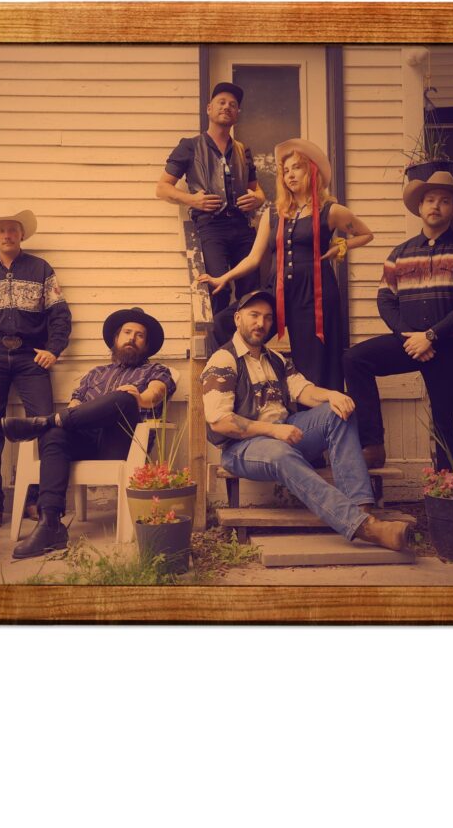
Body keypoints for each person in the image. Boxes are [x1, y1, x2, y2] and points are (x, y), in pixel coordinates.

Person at [201, 291, 412, 551]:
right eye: (254, 315)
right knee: (278, 452)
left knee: (338, 413)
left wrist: (332, 395)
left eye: (267, 318)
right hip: (241, 447)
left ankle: (363, 510)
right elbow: (219, 422)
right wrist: (273, 431)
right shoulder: (224, 359)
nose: (261, 323)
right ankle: (363, 528)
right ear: (237, 318)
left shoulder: (275, 359)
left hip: (283, 432)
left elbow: (304, 391)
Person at [342, 171, 453, 470]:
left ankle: (448, 488)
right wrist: (408, 337)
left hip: (451, 347)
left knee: (447, 426)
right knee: (355, 359)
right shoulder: (400, 254)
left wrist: (431, 336)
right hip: (409, 343)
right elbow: (385, 299)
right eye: (430, 200)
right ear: (420, 207)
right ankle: (373, 445)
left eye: (444, 201)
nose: (436, 205)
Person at [2, 307, 176, 559]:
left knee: (125, 397)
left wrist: (139, 398)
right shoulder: (95, 373)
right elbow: (74, 407)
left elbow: (157, 393)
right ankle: (50, 523)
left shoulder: (156, 371)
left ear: (146, 345)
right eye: (127, 332)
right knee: (55, 434)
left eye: (139, 335)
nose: (132, 338)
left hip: (121, 442)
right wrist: (64, 421)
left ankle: (43, 422)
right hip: (85, 438)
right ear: (116, 339)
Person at [200, 139, 373, 390]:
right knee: (224, 324)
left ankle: (319, 412)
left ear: (311, 171)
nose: (290, 175)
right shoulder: (274, 213)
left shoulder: (330, 210)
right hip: (277, 291)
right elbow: (254, 258)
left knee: (315, 366)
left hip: (315, 294)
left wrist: (341, 246)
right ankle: (241, 386)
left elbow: (366, 234)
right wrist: (224, 278)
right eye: (286, 170)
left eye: (297, 168)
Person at [0, 209, 72, 530]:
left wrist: (53, 350)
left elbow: (60, 314)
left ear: (22, 235)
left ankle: (37, 499)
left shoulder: (41, 268)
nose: (7, 235)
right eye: (1, 230)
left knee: (43, 424)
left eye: (13, 230)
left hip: (31, 356)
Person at [156, 81, 265, 315]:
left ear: (237, 113)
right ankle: (221, 338)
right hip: (211, 227)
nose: (226, 107)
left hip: (243, 227)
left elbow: (258, 192)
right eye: (221, 102)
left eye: (232, 105)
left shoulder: (243, 150)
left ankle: (245, 336)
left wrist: (257, 199)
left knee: (251, 291)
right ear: (209, 108)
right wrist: (192, 200)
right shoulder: (190, 146)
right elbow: (162, 188)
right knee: (217, 289)